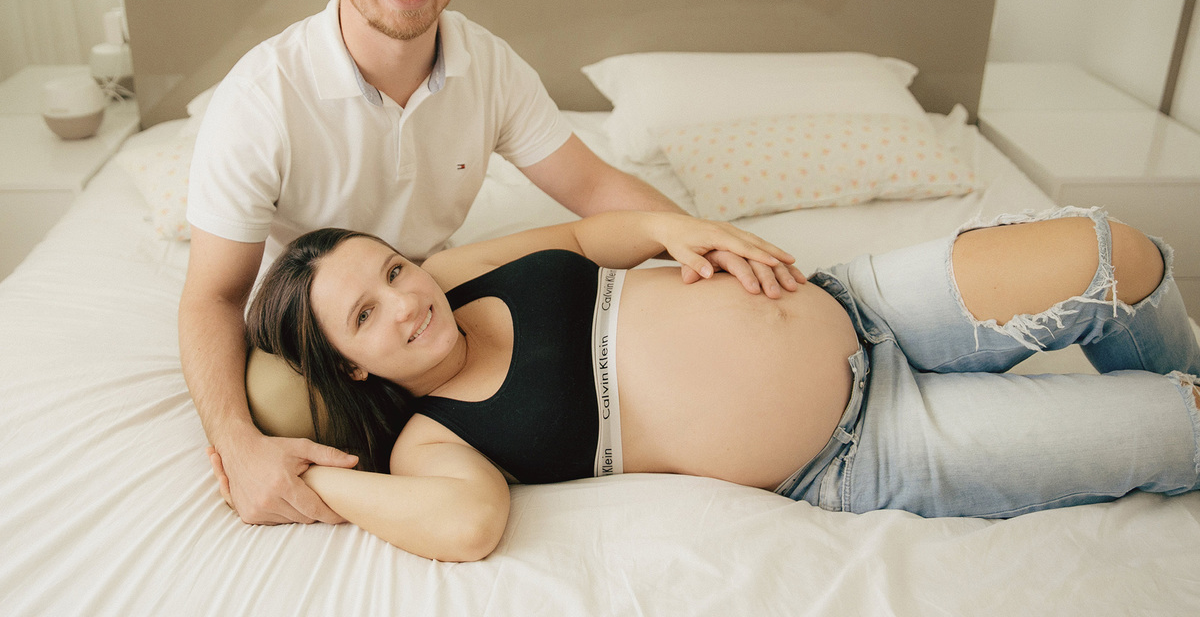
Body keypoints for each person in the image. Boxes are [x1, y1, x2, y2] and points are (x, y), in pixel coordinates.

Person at [180, 0, 791, 529]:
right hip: (330, 322)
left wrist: (707, 239)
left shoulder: (486, 64)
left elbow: (593, 189)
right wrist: (236, 442)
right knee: (276, 403)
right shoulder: (262, 100)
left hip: (436, 287)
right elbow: (213, 298)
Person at [220, 206, 1200, 562]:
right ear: (351, 365)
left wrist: (675, 229)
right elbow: (468, 527)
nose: (404, 298)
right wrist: (297, 473)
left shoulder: (461, 269)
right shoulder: (435, 442)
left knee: (1124, 253)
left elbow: (577, 236)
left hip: (856, 300)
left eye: (392, 267)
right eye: (365, 316)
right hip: (865, 444)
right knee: (1183, 423)